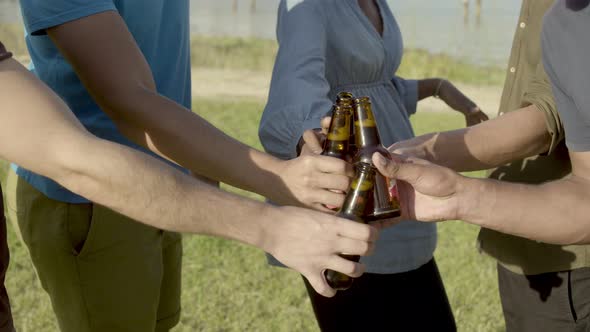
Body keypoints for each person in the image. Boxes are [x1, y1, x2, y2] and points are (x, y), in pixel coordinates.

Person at [9, 1, 377, 331]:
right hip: (91, 199)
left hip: (172, 185)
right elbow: (128, 100)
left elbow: (156, 63)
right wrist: (276, 179)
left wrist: (201, 158)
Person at [259, 0, 487, 330]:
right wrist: (310, 142)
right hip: (352, 193)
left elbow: (374, 82)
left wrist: (440, 86)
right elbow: (297, 79)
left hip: (393, 186)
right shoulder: (307, 5)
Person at [374, 0, 590, 329]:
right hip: (538, 229)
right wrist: (456, 194)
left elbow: (547, 118)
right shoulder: (565, 24)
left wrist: (435, 152)